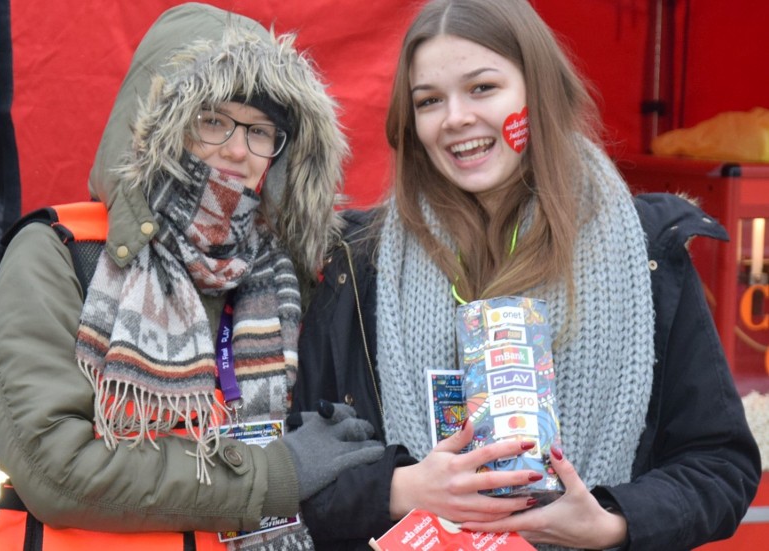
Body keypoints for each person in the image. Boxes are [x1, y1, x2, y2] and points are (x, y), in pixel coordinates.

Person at [293, 0, 762, 549]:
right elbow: (303, 468)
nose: (456, 118)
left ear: (537, 92)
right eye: (429, 101)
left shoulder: (647, 249)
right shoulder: (357, 263)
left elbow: (719, 465)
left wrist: (610, 524)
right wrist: (401, 489)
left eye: (483, 88)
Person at [0, 3, 383, 549]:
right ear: (156, 124)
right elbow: (54, 468)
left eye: (261, 131)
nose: (238, 150)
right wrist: (277, 473)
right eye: (212, 120)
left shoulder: (282, 276)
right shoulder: (57, 254)